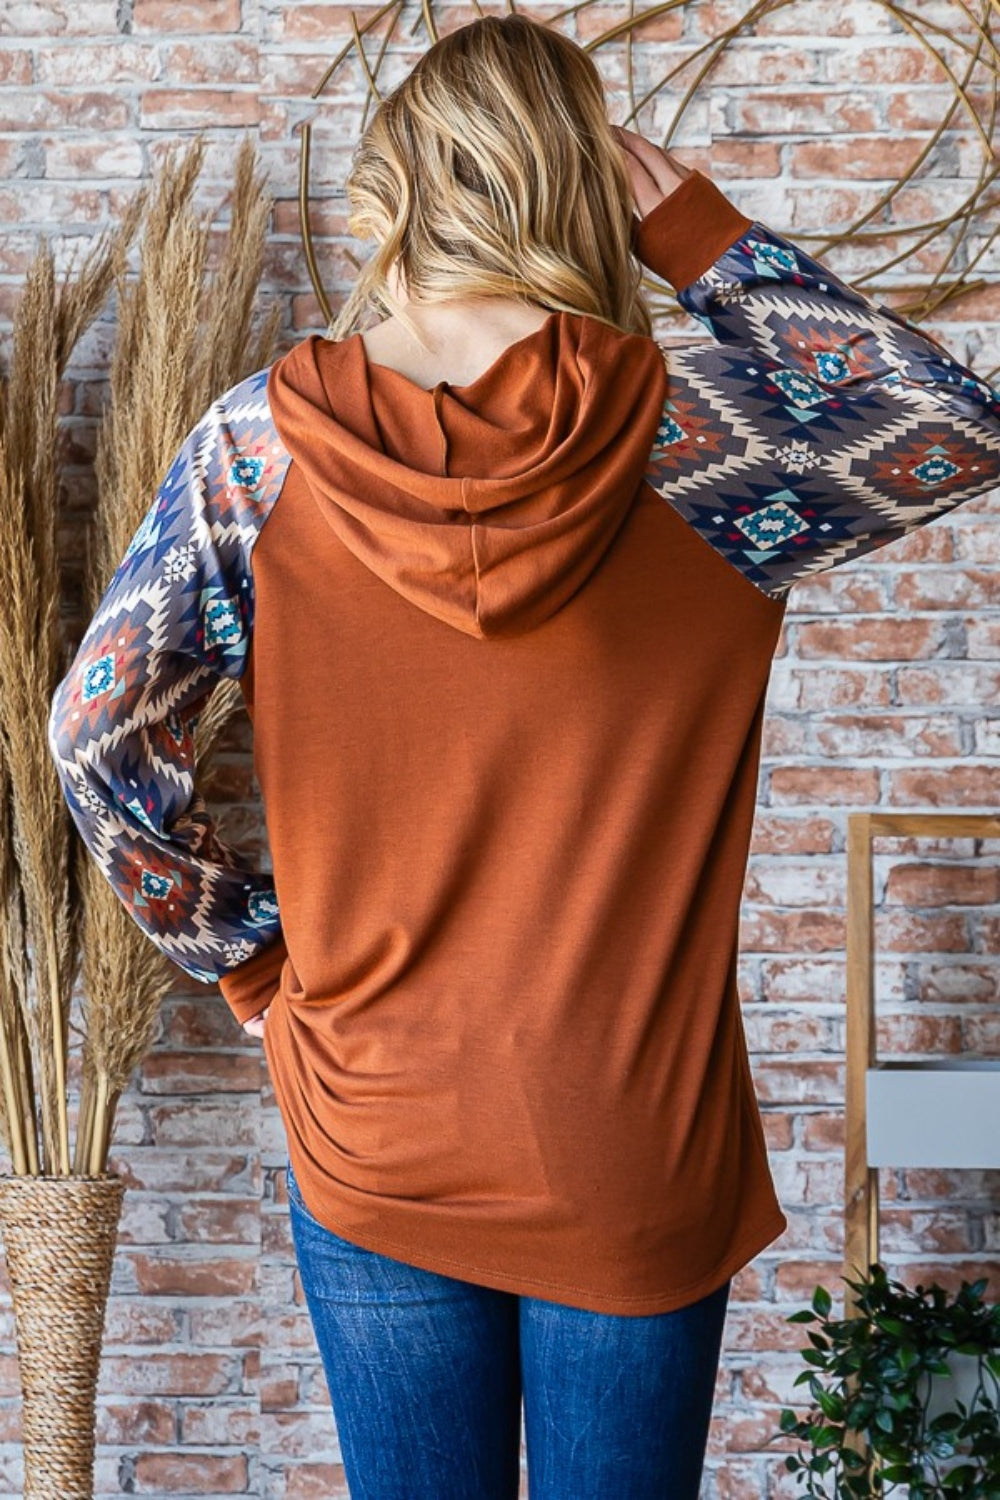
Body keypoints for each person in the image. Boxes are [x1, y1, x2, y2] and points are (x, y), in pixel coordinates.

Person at [47, 13, 1000, 1499]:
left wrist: (245, 963)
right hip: (633, 1134)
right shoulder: (699, 444)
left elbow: (96, 735)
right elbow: (953, 421)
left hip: (373, 1120)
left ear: (395, 193)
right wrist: (690, 227)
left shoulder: (261, 450)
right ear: (582, 184)